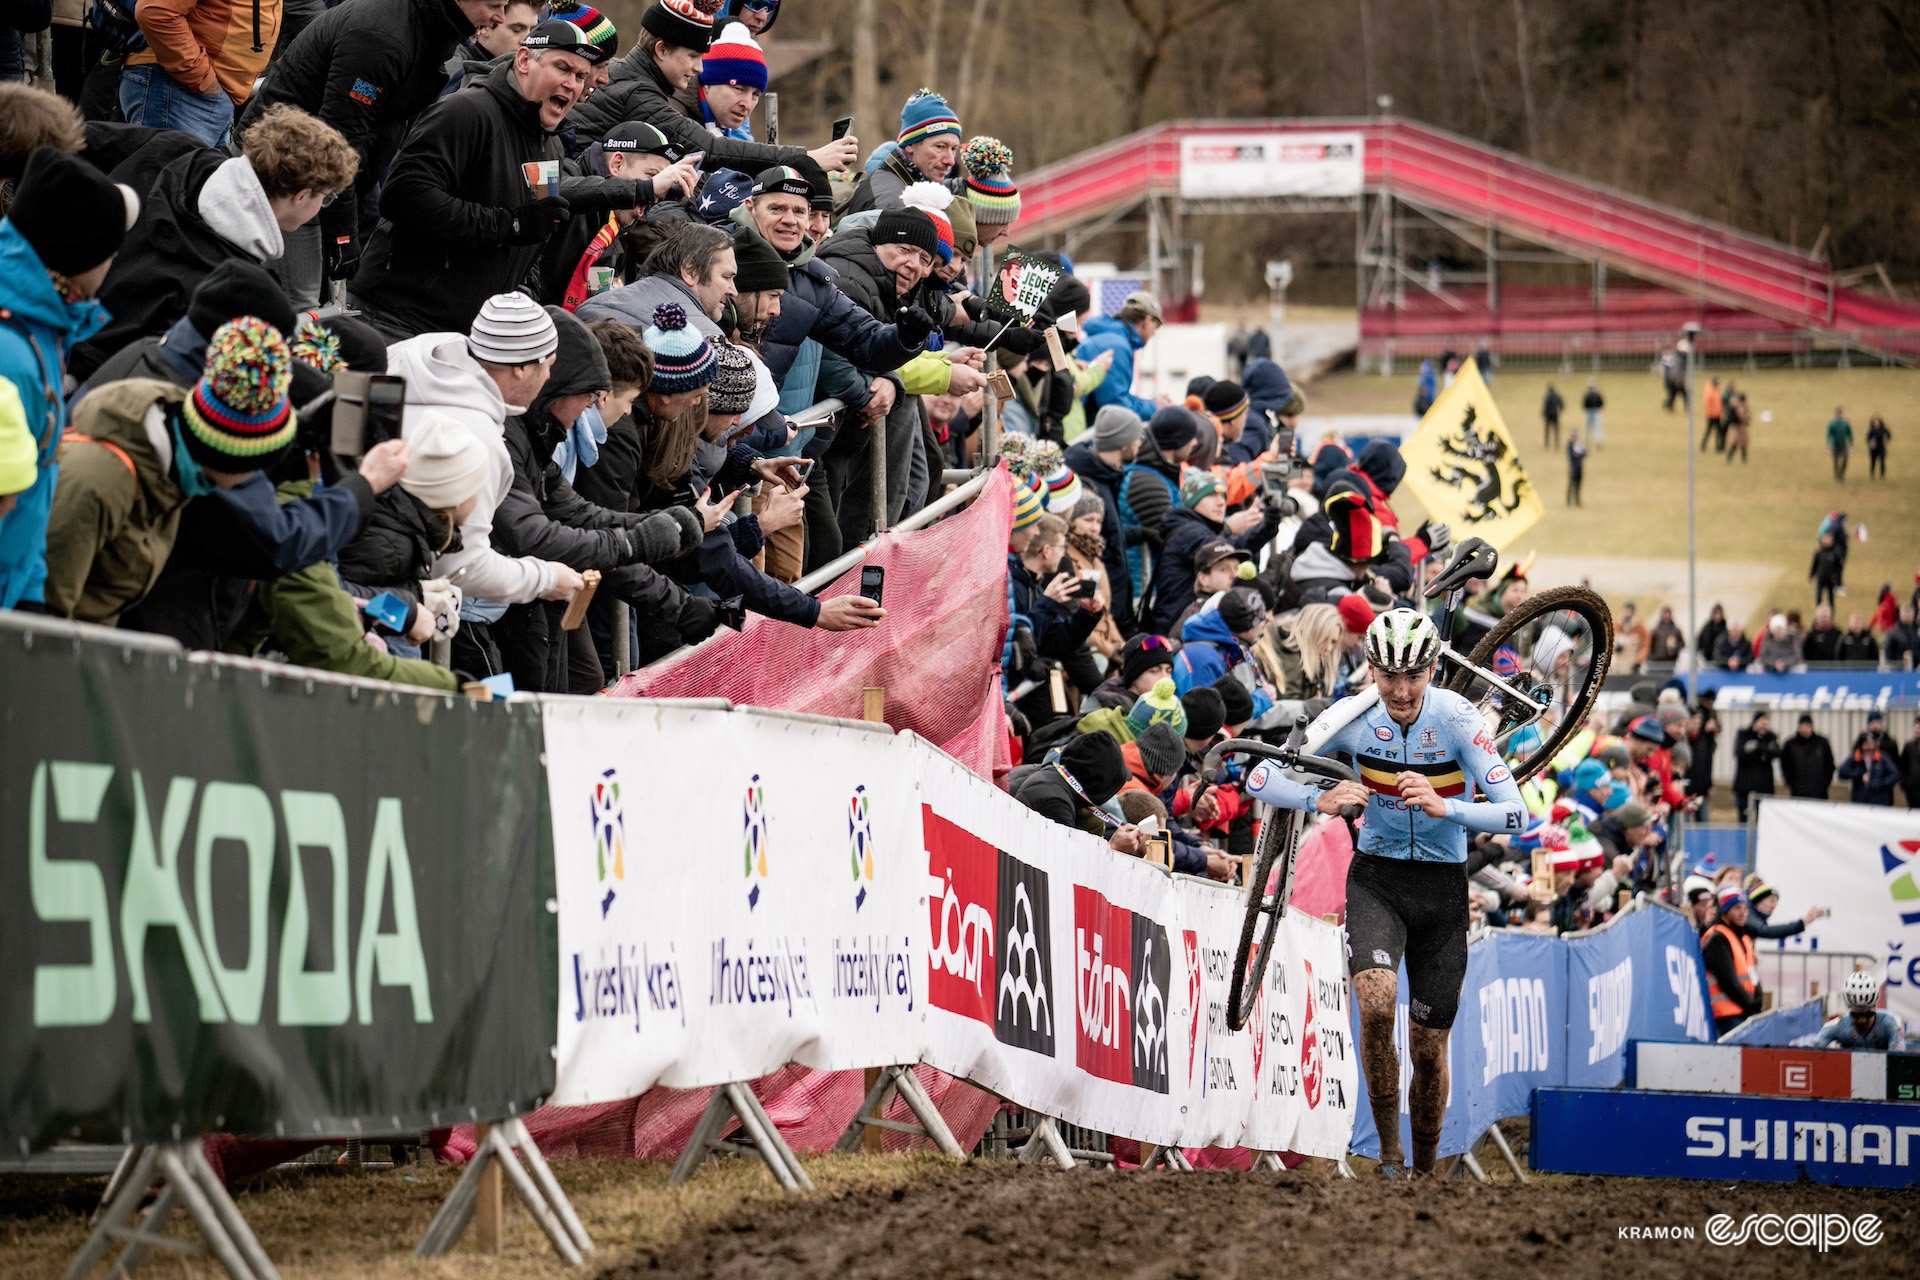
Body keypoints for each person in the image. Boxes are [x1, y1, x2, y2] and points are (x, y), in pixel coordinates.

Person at [1245, 609, 1526, 1176]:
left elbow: (1518, 815)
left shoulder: (1456, 718)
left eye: (1413, 676)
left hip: (1442, 890)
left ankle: (1423, 1170)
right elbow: (1258, 777)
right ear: (1370, 668)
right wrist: (1315, 799)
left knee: (1427, 1046)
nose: (1400, 691)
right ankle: (1389, 1155)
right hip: (1377, 878)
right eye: (1388, 676)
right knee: (1374, 1010)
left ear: (1432, 671)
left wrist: (1447, 806)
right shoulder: (1352, 716)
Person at [349, 20, 618, 339]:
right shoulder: (466, 111)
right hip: (397, 317)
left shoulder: (553, 145)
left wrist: (522, 299)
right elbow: (402, 197)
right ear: (524, 61)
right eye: (562, 68)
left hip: (472, 331)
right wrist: (508, 225)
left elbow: (535, 231)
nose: (572, 83)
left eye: (580, 76)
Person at [237, 0, 512, 308]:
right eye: (494, 5)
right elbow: (339, 139)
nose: (499, 17)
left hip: (332, 173)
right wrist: (341, 234)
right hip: (289, 172)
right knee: (301, 304)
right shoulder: (382, 37)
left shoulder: (426, 26)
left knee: (325, 293)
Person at [41, 317, 304, 624]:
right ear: (233, 457)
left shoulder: (172, 474)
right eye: (259, 464)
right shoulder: (99, 481)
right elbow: (39, 624)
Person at [72, 106, 357, 379]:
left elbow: (66, 139)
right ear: (301, 195)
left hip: (51, 312)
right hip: (97, 380)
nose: (322, 207)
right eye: (326, 197)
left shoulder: (174, 148)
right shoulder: (240, 291)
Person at [0, 146, 138, 613]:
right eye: (111, 251)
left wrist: (34, 593)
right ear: (81, 260)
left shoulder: (43, 324)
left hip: (19, 586)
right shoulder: (12, 354)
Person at [562, 0, 854, 177]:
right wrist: (807, 157)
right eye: (693, 56)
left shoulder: (632, 77)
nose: (700, 68)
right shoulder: (638, 93)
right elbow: (709, 149)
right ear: (662, 50)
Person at [120, 0, 283, 147]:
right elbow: (155, 11)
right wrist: (204, 81)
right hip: (179, 91)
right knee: (172, 178)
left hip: (202, 95)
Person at [1063, 405, 1146, 628]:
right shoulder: (1089, 483)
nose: (1140, 442)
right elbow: (1085, 542)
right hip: (1101, 609)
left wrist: (1139, 534)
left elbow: (1109, 535)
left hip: (1113, 605)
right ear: (1123, 442)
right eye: (1137, 437)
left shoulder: (1105, 476)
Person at [1077, 291, 1161, 422]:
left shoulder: (1110, 338)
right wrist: (1155, 407)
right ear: (1148, 321)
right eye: (1156, 327)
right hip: (1082, 433)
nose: (1154, 333)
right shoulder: (1117, 346)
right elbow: (1115, 406)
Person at [1700, 888, 1762, 1036]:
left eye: (1745, 908)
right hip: (1727, 1016)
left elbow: (1752, 975)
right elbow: (1728, 981)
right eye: (1737, 908)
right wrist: (1750, 1005)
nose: (1743, 913)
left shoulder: (1744, 938)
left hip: (1744, 1012)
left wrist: (1757, 1001)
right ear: (1725, 911)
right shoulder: (1717, 938)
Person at [1813, 972, 1906, 1050]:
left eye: (1868, 1014)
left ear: (1875, 1009)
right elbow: (1809, 1050)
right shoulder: (1838, 1025)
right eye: (1856, 1015)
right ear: (1849, 1011)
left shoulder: (1890, 1022)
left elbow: (1897, 1058)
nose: (1862, 1020)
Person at [1732, 711, 1780, 821]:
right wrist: (1763, 753)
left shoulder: (1771, 736)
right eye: (1762, 722)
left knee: (1763, 820)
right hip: (1745, 787)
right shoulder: (1743, 734)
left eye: (1766, 723)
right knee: (1744, 819)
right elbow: (1740, 754)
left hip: (1764, 787)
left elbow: (1776, 752)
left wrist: (1758, 748)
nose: (1764, 725)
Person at [1742, 880, 1829, 940]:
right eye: (1771, 900)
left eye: (1776, 902)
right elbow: (1766, 931)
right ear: (1758, 900)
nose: (1774, 906)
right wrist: (1803, 922)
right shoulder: (1746, 913)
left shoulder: (1752, 915)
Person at [1838, 726, 1900, 806]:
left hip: (1879, 800)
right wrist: (1860, 775)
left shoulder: (1882, 757)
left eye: (1872, 744)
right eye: (1867, 744)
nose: (1870, 747)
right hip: (1860, 800)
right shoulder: (1856, 758)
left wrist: (1880, 783)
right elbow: (1842, 773)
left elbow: (1895, 775)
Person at [1779, 714, 1835, 799]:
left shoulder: (1822, 743)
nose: (1805, 729)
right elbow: (1785, 764)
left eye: (1808, 726)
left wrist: (1825, 783)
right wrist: (1790, 782)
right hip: (1798, 791)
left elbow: (1829, 764)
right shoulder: (1791, 744)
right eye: (1803, 726)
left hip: (1819, 791)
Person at [1810, 532, 1844, 611]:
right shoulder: (1819, 552)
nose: (1827, 541)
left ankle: (1831, 615)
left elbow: (1839, 567)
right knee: (1818, 597)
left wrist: (1836, 577)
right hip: (1820, 579)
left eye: (1829, 539)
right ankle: (1818, 614)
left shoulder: (1836, 553)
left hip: (1831, 580)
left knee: (1831, 599)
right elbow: (1814, 565)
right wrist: (1811, 576)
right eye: (1825, 538)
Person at [1613, 600, 1649, 674]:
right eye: (1625, 611)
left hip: (1631, 665)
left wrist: (1639, 661)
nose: (1626, 614)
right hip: (1616, 664)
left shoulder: (1640, 627)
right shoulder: (1616, 625)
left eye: (1628, 612)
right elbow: (1609, 642)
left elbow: (1644, 646)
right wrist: (1615, 647)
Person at [1826, 405, 1852, 481]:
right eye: (1838, 414)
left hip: (1843, 444)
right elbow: (1828, 434)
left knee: (1846, 458)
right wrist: (1828, 443)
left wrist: (1851, 442)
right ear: (1835, 414)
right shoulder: (1832, 424)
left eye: (1840, 414)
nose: (1839, 415)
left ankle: (1841, 473)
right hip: (1835, 445)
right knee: (1835, 461)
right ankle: (1836, 476)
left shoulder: (1845, 423)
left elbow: (1849, 433)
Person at [1700, 376, 1723, 451]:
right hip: (1712, 415)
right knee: (1709, 431)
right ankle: (1703, 445)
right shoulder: (1710, 392)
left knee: (1717, 432)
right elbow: (1708, 404)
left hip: (1717, 414)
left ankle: (1717, 447)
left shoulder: (1716, 390)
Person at [1865, 413, 1890, 479]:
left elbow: (1888, 435)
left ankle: (1882, 475)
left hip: (1881, 448)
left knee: (1882, 461)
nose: (1876, 423)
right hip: (1873, 449)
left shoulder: (1883, 429)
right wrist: (1870, 444)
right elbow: (1867, 438)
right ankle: (1872, 474)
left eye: (1877, 422)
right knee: (1873, 462)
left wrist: (1886, 442)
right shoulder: (1872, 430)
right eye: (1875, 422)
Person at [1565, 426, 1585, 506]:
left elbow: (1585, 453)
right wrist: (1577, 453)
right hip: (1573, 468)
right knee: (1571, 485)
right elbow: (1570, 455)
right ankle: (1569, 501)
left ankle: (1577, 501)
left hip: (1579, 467)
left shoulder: (1579, 444)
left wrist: (1581, 452)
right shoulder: (1570, 445)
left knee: (1579, 485)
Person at [1581, 379, 1603, 447]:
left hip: (1589, 412)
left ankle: (1587, 441)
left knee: (1588, 428)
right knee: (1598, 428)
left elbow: (1584, 404)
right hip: (1596, 412)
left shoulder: (1587, 395)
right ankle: (1599, 440)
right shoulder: (1597, 394)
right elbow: (1601, 403)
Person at [1540, 383, 1562, 447]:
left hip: (1548, 416)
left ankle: (1547, 444)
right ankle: (1556, 443)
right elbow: (1561, 404)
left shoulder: (1546, 397)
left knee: (1547, 431)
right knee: (1556, 430)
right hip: (1555, 415)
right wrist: (1560, 412)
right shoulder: (1557, 396)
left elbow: (1544, 407)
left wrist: (1543, 414)